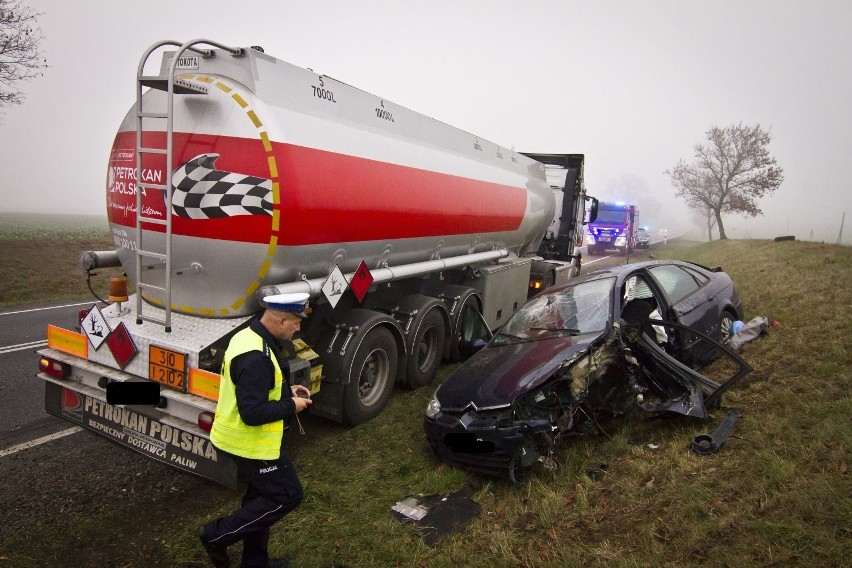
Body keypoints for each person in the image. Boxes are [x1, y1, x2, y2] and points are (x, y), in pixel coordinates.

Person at [199, 292, 313, 568]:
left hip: (242, 437)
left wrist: (287, 390)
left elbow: (259, 386)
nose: (298, 329)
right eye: (296, 323)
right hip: (248, 442)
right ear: (281, 320)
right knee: (288, 494)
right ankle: (216, 535)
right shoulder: (255, 356)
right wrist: (292, 405)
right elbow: (252, 413)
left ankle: (255, 562)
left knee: (260, 499)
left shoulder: (251, 334)